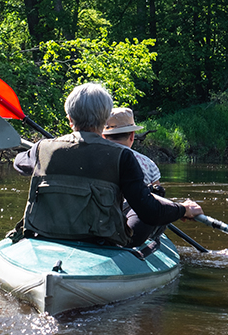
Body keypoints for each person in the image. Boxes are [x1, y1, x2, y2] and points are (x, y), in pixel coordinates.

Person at [13, 83, 203, 249]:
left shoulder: (41, 149)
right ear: (105, 120)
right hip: (101, 240)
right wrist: (182, 209)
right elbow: (149, 211)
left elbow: (19, 163)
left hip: (45, 233)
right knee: (155, 193)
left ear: (69, 119)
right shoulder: (123, 156)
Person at [102, 107, 170, 247]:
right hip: (135, 222)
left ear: (103, 136)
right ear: (132, 136)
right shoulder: (148, 164)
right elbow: (158, 200)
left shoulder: (96, 158)